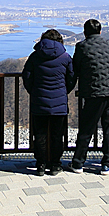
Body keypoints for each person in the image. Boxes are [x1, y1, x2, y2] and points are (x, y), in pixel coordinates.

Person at [69, 19, 109, 175]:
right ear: (100, 31)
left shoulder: (81, 46)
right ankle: (107, 163)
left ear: (85, 32)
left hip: (93, 93)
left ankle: (78, 163)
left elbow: (75, 68)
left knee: (86, 129)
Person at [22, 29, 74, 176]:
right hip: (60, 103)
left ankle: (40, 164)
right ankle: (56, 165)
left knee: (40, 134)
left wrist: (34, 91)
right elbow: (71, 79)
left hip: (39, 101)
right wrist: (64, 92)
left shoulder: (35, 56)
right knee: (58, 135)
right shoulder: (65, 57)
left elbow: (26, 76)